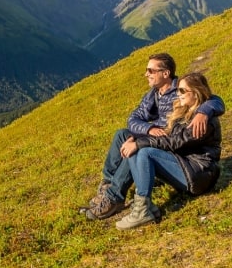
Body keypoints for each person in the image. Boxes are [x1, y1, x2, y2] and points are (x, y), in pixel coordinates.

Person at [81, 53, 224, 220]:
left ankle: (115, 198)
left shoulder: (183, 90)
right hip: (165, 139)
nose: (146, 74)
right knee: (122, 135)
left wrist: (204, 111)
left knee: (136, 147)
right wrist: (149, 129)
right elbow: (132, 119)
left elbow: (212, 98)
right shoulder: (155, 94)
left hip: (176, 147)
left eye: (150, 70)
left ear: (165, 73)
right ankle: (108, 187)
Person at [115, 72, 223, 230]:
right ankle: (144, 206)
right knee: (136, 148)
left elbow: (175, 142)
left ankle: (142, 210)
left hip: (199, 175)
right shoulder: (184, 110)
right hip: (184, 166)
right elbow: (168, 133)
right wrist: (135, 139)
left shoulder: (203, 122)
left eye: (182, 91)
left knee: (145, 151)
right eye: (178, 90)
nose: (178, 94)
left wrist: (140, 144)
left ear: (197, 92)